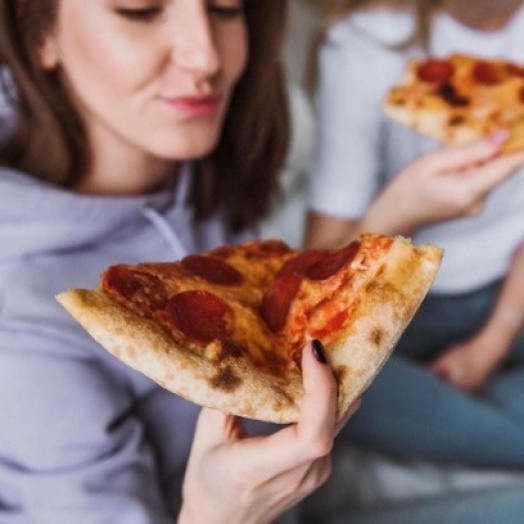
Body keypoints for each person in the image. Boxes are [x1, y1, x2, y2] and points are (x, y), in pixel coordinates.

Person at [0, 1, 362, 523]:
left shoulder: (193, 156)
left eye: (226, 7)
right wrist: (219, 515)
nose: (207, 57)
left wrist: (401, 212)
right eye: (140, 9)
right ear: (40, 37)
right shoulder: (22, 328)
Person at [305, 0, 524, 470]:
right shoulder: (365, 43)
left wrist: (493, 342)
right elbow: (313, 275)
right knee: (317, 384)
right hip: (394, 303)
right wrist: (403, 209)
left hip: (513, 291)